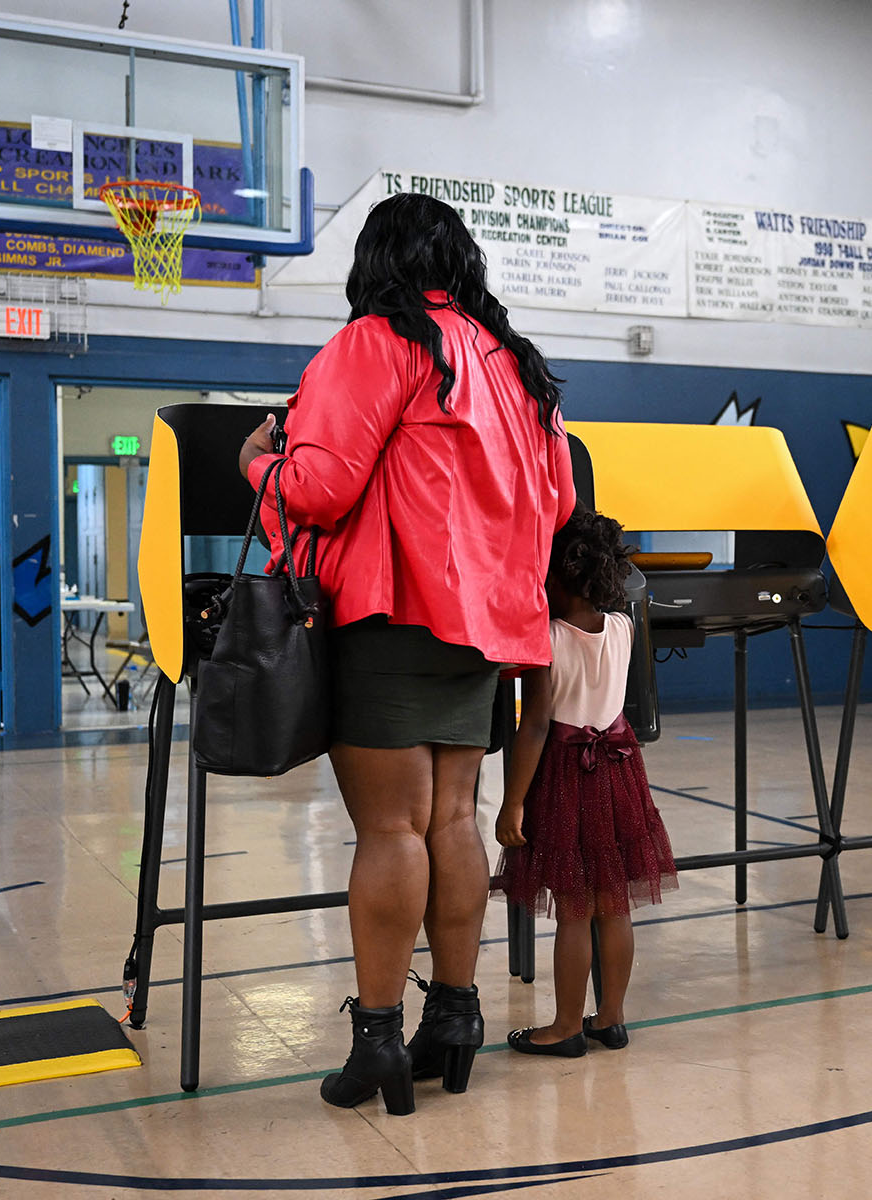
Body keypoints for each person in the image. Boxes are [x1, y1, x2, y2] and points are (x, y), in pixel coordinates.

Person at [236, 192, 574, 1115]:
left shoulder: (378, 341)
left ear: (374, 261)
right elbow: (556, 507)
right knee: (454, 819)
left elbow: (320, 487)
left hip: (391, 614)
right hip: (487, 625)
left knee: (390, 828)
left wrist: (256, 462)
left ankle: (379, 1042)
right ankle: (455, 1018)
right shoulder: (517, 366)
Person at [495, 509, 677, 1058]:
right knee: (613, 904)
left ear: (556, 576)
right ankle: (612, 1019)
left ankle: (565, 1026)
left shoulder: (547, 638)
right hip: (620, 771)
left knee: (574, 908)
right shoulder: (623, 627)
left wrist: (513, 803)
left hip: (569, 778)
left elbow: (537, 727)